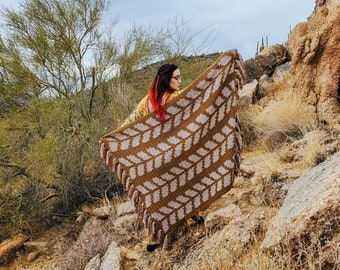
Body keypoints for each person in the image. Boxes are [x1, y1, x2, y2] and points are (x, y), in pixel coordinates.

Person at [122, 63, 203, 252]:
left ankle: (154, 237)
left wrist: (114, 138)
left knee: (155, 198)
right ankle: (193, 214)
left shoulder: (146, 101)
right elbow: (198, 103)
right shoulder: (176, 98)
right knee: (185, 180)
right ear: (167, 79)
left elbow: (129, 124)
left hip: (154, 159)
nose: (180, 81)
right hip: (172, 155)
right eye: (177, 77)